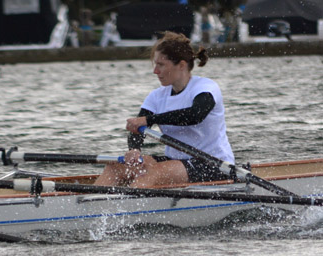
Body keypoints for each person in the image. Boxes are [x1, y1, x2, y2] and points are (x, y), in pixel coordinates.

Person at [95, 31, 234, 188]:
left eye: (161, 65)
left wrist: (151, 120)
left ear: (181, 65)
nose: (155, 71)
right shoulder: (157, 96)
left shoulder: (205, 88)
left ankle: (124, 209)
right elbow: (137, 129)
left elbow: (195, 115)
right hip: (175, 162)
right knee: (116, 167)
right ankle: (90, 205)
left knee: (153, 173)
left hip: (213, 164)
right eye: (155, 65)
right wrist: (134, 150)